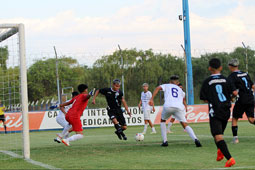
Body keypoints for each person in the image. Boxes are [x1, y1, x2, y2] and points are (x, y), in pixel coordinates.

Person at [200, 58, 237, 167]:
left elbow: (204, 98)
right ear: (221, 67)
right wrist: (231, 98)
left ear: (209, 68)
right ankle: (220, 151)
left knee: (218, 136)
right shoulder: (226, 79)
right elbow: (234, 92)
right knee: (217, 134)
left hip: (215, 110)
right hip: (226, 110)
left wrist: (213, 99)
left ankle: (230, 159)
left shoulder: (207, 81)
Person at [149, 75, 202, 147]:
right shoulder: (180, 90)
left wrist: (152, 99)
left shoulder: (166, 85)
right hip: (179, 107)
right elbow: (183, 99)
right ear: (177, 83)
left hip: (168, 106)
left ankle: (165, 141)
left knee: (163, 120)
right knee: (184, 124)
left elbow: (157, 88)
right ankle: (196, 139)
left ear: (170, 82)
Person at [227, 58, 255, 144]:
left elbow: (235, 92)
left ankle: (235, 139)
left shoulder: (231, 76)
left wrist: (231, 97)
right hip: (250, 98)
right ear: (237, 65)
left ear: (230, 66)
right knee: (251, 119)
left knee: (235, 118)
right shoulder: (245, 73)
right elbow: (253, 86)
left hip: (242, 99)